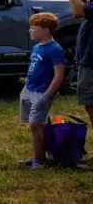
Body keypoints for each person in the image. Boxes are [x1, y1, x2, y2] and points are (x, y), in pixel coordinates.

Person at [19, 12, 67, 169]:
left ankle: (38, 161)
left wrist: (47, 96)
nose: (30, 30)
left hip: (42, 92)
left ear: (46, 31)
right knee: (33, 125)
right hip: (29, 89)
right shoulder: (38, 47)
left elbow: (59, 75)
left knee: (35, 124)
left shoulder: (55, 49)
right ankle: (36, 156)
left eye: (34, 28)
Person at [64, 0, 93, 128]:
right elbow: (85, 10)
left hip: (91, 59)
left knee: (90, 101)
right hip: (88, 55)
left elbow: (78, 11)